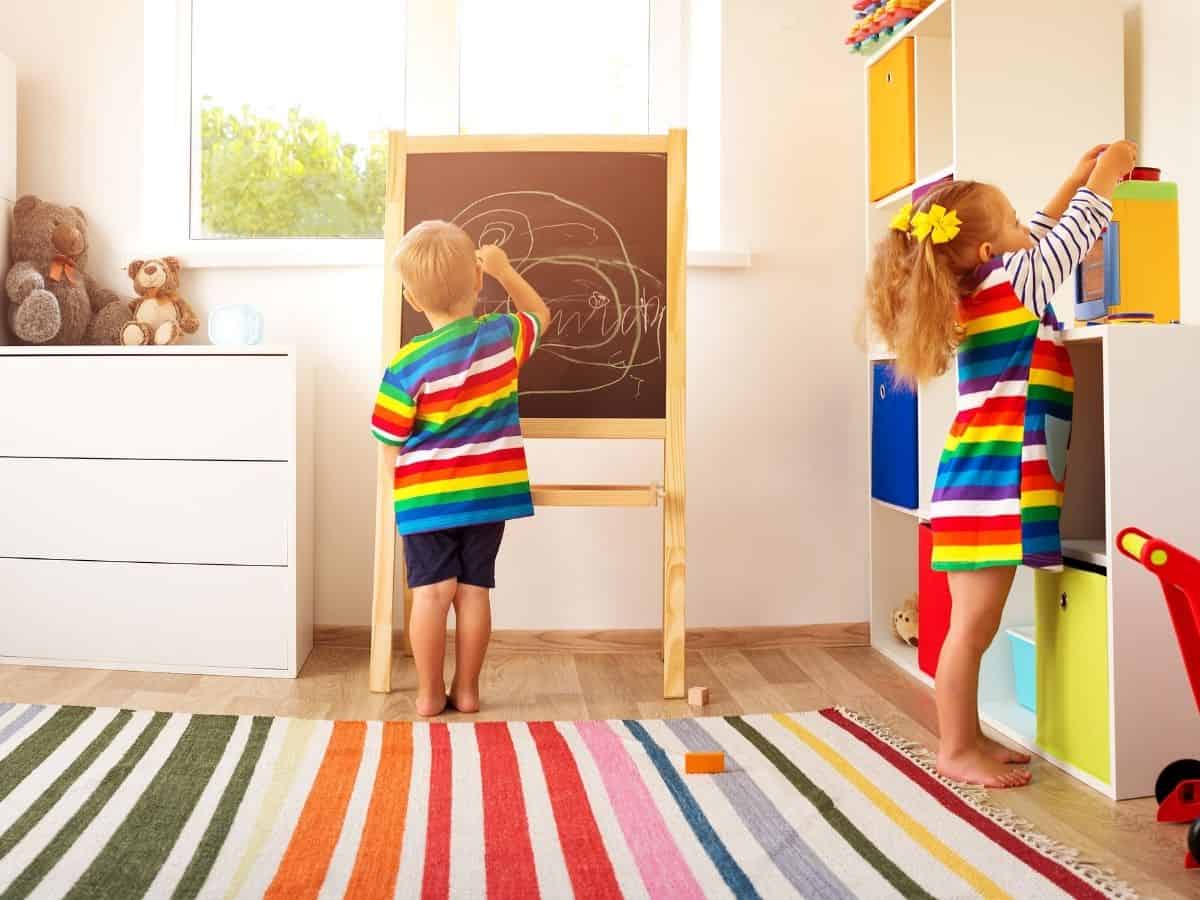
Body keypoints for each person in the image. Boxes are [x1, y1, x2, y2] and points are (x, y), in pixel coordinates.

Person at [864, 141, 1138, 786]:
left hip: (976, 480)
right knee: (968, 631)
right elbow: (1068, 238)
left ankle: (969, 737)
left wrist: (1068, 177)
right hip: (993, 488)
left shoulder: (985, 288)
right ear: (990, 253)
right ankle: (955, 749)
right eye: (1012, 223)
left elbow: (1039, 237)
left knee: (969, 627)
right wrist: (1101, 179)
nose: (1026, 230)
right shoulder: (1015, 281)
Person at [371, 221, 550, 717]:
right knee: (473, 592)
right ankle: (468, 691)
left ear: (411, 298)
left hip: (427, 499)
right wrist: (504, 270)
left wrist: (397, 493)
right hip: (489, 496)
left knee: (430, 594)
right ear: (476, 282)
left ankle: (429, 694)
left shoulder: (406, 365)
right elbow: (539, 313)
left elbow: (389, 441)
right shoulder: (501, 338)